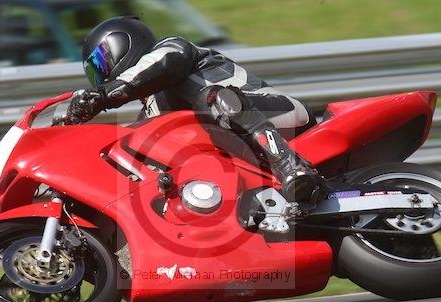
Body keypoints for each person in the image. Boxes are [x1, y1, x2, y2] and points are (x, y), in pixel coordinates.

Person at [64, 16, 328, 204]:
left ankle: (291, 166)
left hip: (282, 114)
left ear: (123, 44)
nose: (99, 75)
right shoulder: (150, 112)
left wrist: (103, 95)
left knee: (211, 99)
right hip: (244, 154)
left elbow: (164, 65)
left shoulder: (173, 48)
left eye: (99, 62)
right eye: (93, 71)